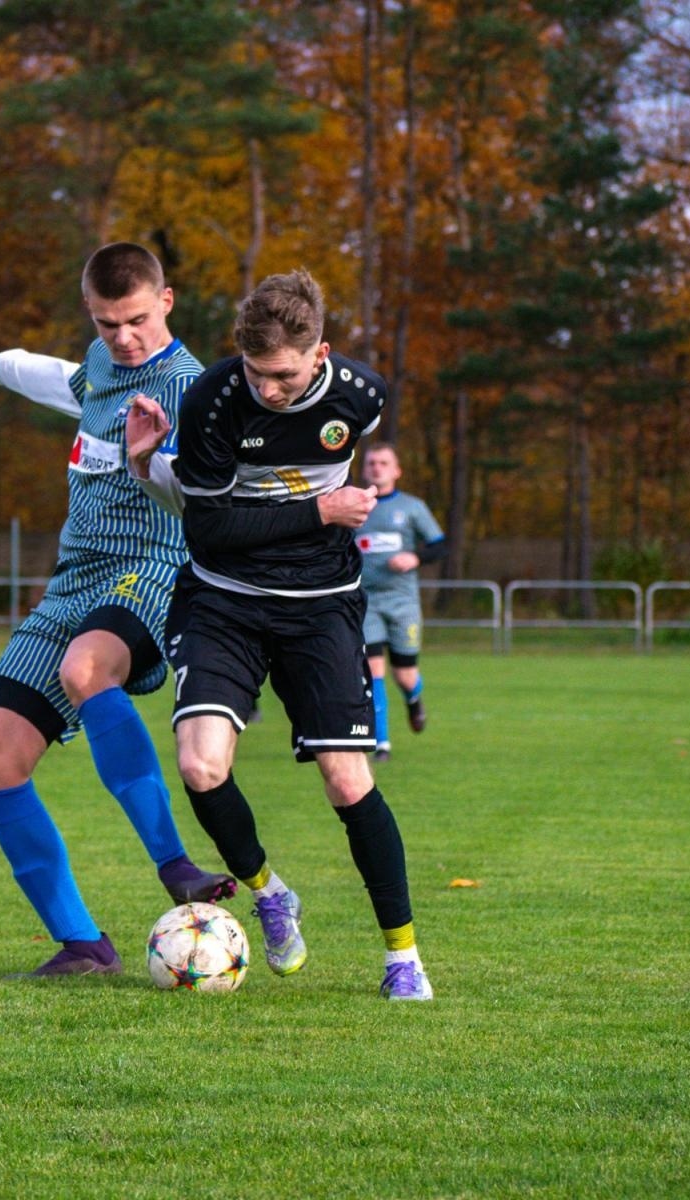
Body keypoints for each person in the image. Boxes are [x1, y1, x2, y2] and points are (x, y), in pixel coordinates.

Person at [126, 268, 434, 1001]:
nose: (269, 389)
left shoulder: (361, 399)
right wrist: (321, 512)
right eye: (258, 373)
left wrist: (321, 520)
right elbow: (214, 529)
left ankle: (404, 958)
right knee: (201, 766)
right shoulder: (211, 402)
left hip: (322, 604)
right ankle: (268, 893)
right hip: (223, 601)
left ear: (319, 353)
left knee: (348, 778)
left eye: (285, 375)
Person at [0, 242, 235, 979]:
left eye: (136, 319)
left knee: (86, 666)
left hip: (153, 570)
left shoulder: (192, 391)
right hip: (74, 579)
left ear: (166, 302)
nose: (124, 337)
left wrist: (154, 460)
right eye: (108, 322)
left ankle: (176, 866)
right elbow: (70, 381)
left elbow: (217, 498)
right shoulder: (102, 362)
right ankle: (82, 943)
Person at [355, 443, 446, 762]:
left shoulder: (412, 507)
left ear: (396, 470)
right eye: (371, 463)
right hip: (366, 601)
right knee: (372, 668)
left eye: (384, 463)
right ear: (364, 469)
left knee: (404, 674)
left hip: (402, 602)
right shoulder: (355, 506)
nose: (377, 468)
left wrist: (415, 556)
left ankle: (413, 700)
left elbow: (440, 545)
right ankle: (382, 742)